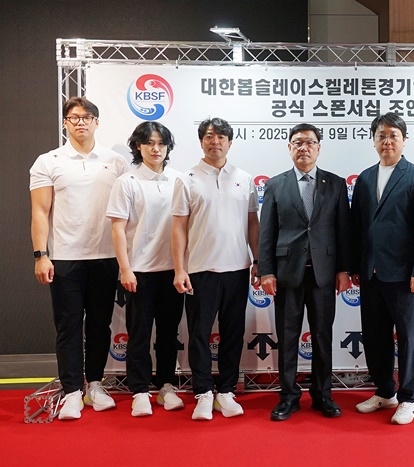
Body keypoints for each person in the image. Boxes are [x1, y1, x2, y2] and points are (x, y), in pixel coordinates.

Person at [30, 96, 128, 420]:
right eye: (74, 117)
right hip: (65, 258)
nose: (80, 122)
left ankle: (95, 385)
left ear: (97, 122)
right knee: (69, 326)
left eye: (87, 117)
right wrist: (41, 255)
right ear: (65, 123)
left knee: (100, 325)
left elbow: (127, 213)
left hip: (106, 257)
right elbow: (40, 212)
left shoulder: (116, 162)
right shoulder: (48, 161)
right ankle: (72, 390)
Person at [258, 124, 352, 421]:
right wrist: (266, 271)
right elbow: (267, 232)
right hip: (287, 274)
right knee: (287, 337)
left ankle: (323, 394)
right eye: (297, 142)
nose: (304, 148)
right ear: (289, 147)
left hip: (324, 274)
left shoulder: (335, 184)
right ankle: (288, 396)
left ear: (319, 148)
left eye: (310, 142)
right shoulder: (276, 185)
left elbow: (343, 231)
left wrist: (343, 269)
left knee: (322, 336)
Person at [171, 117, 260, 421]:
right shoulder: (187, 179)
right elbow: (178, 227)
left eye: (221, 137)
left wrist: (258, 260)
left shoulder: (244, 178)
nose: (215, 141)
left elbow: (252, 223)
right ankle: (203, 392)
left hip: (237, 268)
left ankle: (226, 391)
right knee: (199, 333)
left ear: (230, 143)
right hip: (200, 269)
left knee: (233, 332)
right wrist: (180, 268)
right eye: (209, 136)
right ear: (201, 142)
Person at [351, 112, 414, 425]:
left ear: (404, 140)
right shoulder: (365, 178)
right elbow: (357, 226)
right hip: (371, 273)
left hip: (405, 274)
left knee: (409, 337)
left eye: (393, 136)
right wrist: (356, 266)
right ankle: (385, 392)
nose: (387, 141)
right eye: (381, 135)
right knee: (375, 336)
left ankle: (410, 397)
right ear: (373, 140)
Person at [106, 122, 185, 417]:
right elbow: (118, 228)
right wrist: (125, 269)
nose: (156, 149)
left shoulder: (179, 179)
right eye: (150, 143)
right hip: (138, 271)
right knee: (138, 334)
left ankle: (166, 385)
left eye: (161, 143)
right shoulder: (127, 182)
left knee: (168, 333)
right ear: (138, 146)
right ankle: (139, 390)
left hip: (173, 270)